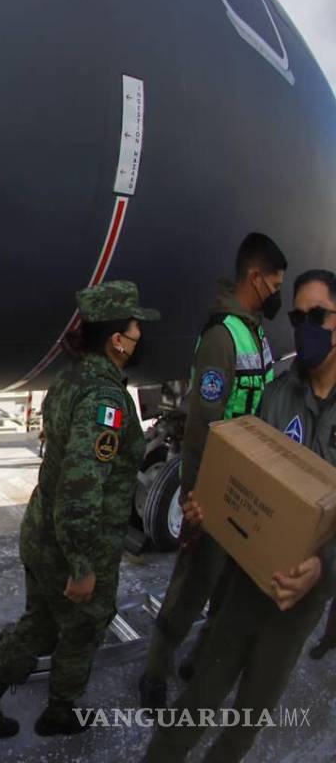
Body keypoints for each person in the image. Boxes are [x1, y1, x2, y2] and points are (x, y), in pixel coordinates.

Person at [142, 269, 336, 762]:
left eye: (319, 316)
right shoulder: (279, 394)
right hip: (248, 582)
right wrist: (208, 504)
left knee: (249, 718)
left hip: (301, 597)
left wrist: (323, 566)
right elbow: (245, 481)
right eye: (298, 316)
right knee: (199, 698)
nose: (305, 327)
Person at [0, 281, 160, 738]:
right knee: (83, 628)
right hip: (75, 543)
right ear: (117, 340)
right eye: (135, 327)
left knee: (39, 623)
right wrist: (83, 565)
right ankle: (60, 711)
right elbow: (82, 489)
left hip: (45, 531)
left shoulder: (72, 378)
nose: (140, 335)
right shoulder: (105, 400)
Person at [138, 232, 287, 709]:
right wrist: (191, 493)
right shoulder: (222, 337)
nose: (277, 292)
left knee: (227, 590)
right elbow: (203, 423)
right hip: (217, 484)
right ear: (256, 278)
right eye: (275, 282)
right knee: (192, 585)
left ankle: (197, 660)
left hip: (249, 482)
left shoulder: (256, 332)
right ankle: (156, 671)